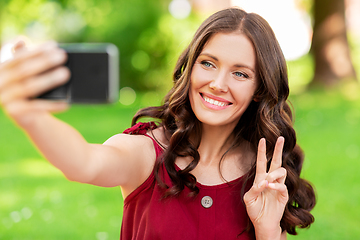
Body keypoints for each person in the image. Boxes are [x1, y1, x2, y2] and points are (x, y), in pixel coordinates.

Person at [0, 7, 315, 240]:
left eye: (240, 73)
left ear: (260, 89)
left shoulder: (263, 174)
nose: (218, 83)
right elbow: (84, 163)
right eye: (208, 63)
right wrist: (31, 116)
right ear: (189, 68)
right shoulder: (146, 152)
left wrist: (267, 229)